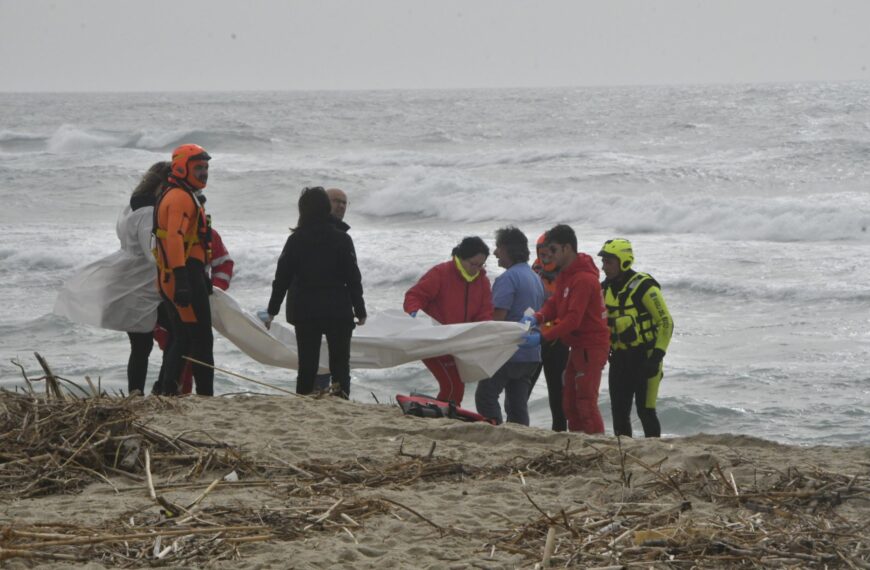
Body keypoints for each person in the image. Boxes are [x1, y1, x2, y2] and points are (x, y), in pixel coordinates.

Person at [53, 162, 172, 395]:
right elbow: (151, 254)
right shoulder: (149, 211)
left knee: (141, 345)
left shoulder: (131, 206)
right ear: (162, 183)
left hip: (128, 278)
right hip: (142, 284)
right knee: (174, 335)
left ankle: (137, 393)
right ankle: (159, 389)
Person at [264, 186, 366, 398]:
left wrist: (272, 310)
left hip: (306, 312)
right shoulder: (342, 239)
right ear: (326, 208)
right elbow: (353, 278)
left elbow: (281, 278)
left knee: (307, 365)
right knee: (340, 364)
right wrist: (360, 309)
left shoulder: (296, 240)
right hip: (337, 310)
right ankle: (341, 400)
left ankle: (303, 401)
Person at [526, 225, 610, 434]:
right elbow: (554, 303)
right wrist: (538, 317)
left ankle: (596, 445)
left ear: (566, 248)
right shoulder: (567, 274)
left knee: (585, 402)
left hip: (591, 347)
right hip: (577, 346)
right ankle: (578, 442)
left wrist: (542, 337)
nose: (550, 256)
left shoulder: (583, 279)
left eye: (553, 250)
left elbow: (573, 319)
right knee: (570, 402)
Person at [154, 189, 234, 394]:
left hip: (191, 291)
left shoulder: (208, 236)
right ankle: (175, 391)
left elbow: (224, 264)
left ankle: (177, 392)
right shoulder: (174, 236)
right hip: (175, 293)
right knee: (185, 341)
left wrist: (215, 288)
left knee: (186, 341)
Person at [152, 144, 215, 396]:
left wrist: (200, 274)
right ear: (181, 167)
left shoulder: (181, 194)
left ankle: (166, 391)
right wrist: (183, 279)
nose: (204, 173)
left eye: (206, 168)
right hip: (181, 275)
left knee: (184, 338)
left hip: (183, 274)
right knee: (200, 339)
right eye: (198, 167)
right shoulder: (179, 198)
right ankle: (205, 397)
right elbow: (175, 238)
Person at [403, 237, 494, 405]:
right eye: (473, 264)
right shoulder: (441, 273)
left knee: (455, 385)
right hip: (433, 340)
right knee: (453, 384)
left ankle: (442, 412)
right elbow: (414, 296)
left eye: (481, 265)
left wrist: (484, 332)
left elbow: (485, 313)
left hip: (458, 343)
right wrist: (415, 315)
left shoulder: (482, 281)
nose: (476, 269)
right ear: (461, 257)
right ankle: (446, 417)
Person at [599, 238, 674, 438]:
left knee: (646, 412)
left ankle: (655, 455)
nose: (604, 267)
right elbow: (600, 325)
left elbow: (666, 322)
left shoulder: (644, 287)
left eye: (608, 262)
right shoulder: (604, 289)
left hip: (646, 359)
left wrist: (656, 357)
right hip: (620, 360)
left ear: (623, 261)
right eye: (603, 261)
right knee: (619, 414)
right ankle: (624, 455)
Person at [474, 227, 544, 425]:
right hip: (531, 354)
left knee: (485, 396)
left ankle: (494, 432)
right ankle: (519, 435)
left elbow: (498, 320)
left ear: (507, 249)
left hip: (509, 353)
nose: (495, 253)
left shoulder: (508, 278)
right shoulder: (534, 277)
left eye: (498, 248)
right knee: (517, 404)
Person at [530, 233, 570, 432]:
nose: (546, 256)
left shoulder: (569, 275)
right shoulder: (533, 271)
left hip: (558, 341)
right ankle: (517, 428)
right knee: (522, 392)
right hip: (535, 341)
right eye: (542, 252)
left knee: (559, 395)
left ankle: (560, 433)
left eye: (551, 251)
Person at [313, 187, 351, 391]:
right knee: (319, 357)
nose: (341, 206)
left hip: (334, 307)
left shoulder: (342, 234)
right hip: (317, 307)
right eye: (336, 201)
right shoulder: (311, 232)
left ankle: (329, 393)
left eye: (344, 202)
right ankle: (322, 392)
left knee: (336, 359)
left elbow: (351, 275)